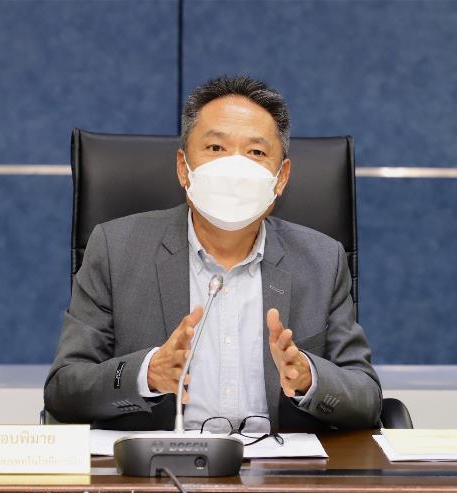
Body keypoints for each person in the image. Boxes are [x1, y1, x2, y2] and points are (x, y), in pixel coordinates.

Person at [44, 76, 382, 433]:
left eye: (256, 152)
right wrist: (147, 374)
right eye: (216, 148)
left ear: (281, 177)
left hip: (279, 465)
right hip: (165, 463)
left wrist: (309, 377)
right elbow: (64, 391)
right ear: (183, 168)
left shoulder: (322, 260)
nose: (234, 169)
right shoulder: (116, 249)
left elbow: (366, 398)